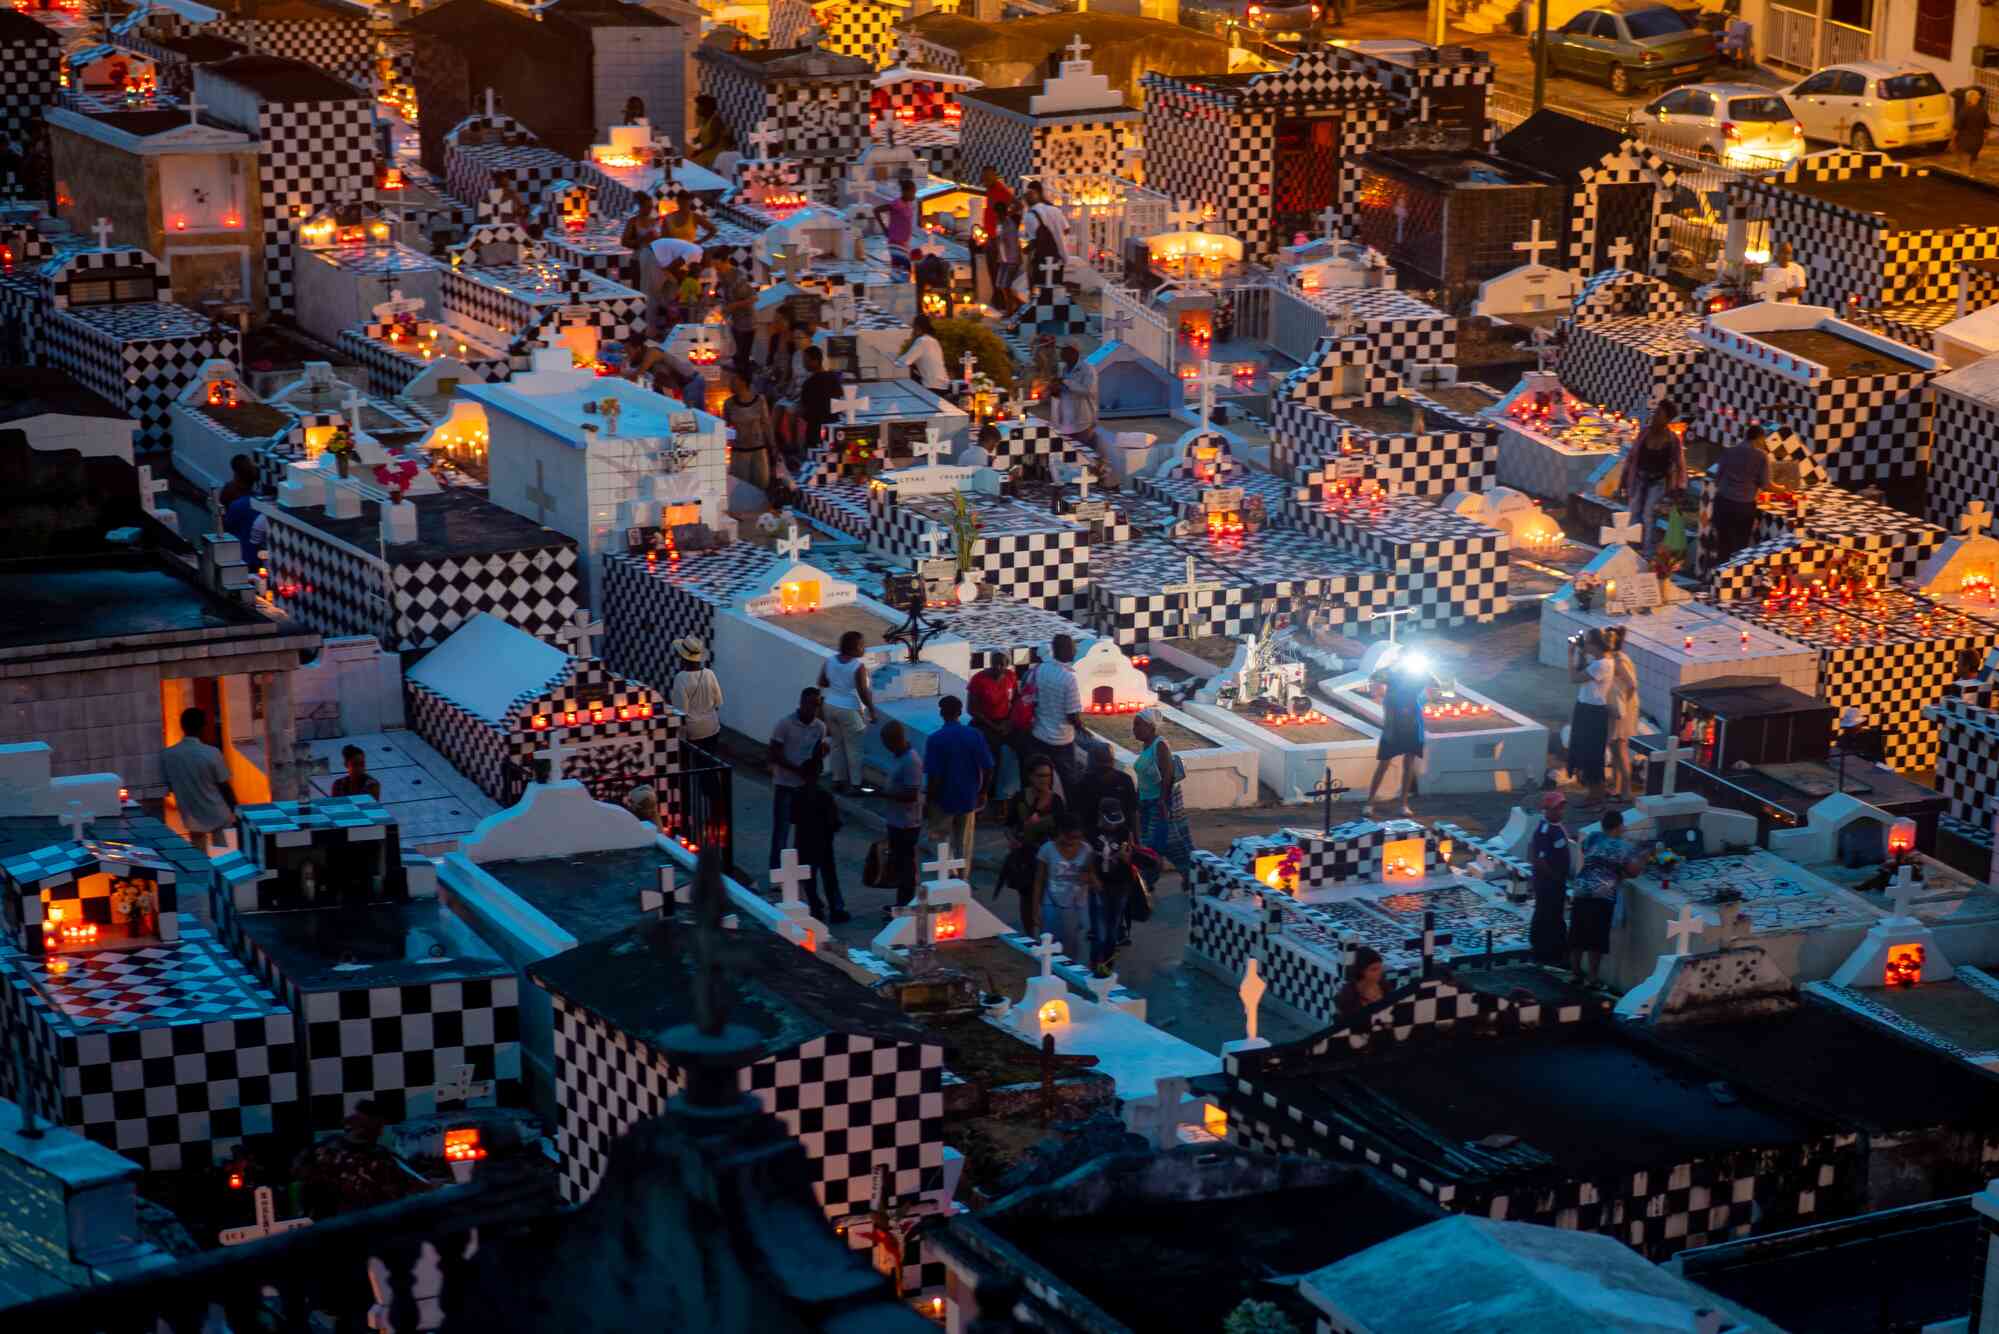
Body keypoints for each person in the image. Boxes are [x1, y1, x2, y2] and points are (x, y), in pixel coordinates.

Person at [291, 1100, 423, 1218]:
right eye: (378, 1126)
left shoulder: (382, 1156)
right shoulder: (379, 1157)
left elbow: (414, 1184)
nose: (380, 1132)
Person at [1572, 808, 1644, 983]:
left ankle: (1575, 973)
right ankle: (1592, 978)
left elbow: (1586, 851)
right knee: (1596, 938)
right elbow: (1634, 871)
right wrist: (1643, 857)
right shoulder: (1623, 847)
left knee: (1578, 935)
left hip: (1581, 889)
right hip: (1602, 894)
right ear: (1619, 827)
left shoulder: (1592, 838)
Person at [767, 687, 828, 872]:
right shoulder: (785, 725)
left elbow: (816, 754)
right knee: (781, 831)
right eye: (811, 704)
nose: (814, 708)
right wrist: (797, 769)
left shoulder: (820, 727)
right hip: (785, 784)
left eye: (817, 705)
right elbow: (774, 753)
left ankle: (796, 871)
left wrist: (818, 761)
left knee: (803, 831)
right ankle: (777, 871)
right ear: (802, 703)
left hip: (805, 786)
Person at [925, 694, 993, 859]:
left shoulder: (935, 739)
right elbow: (988, 767)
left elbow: (933, 776)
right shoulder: (975, 735)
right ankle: (962, 874)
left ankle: (948, 873)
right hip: (968, 798)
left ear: (942, 713)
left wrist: (930, 801)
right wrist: (983, 792)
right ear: (960, 712)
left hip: (943, 800)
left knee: (941, 844)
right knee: (963, 844)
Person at [1002, 756, 1065, 935]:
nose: (1045, 780)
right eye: (1041, 775)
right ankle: (1030, 936)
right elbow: (1008, 825)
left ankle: (1046, 937)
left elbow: (1062, 830)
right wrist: (1012, 840)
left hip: (1048, 859)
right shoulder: (1020, 798)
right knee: (1026, 899)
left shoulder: (1056, 801)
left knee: (1047, 900)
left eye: (1048, 775)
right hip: (1025, 858)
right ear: (1030, 776)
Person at [1131, 708, 1193, 886]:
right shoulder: (1147, 746)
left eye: (1138, 725)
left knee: (1168, 843)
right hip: (1146, 804)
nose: (1134, 729)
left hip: (1158, 804)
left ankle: (1189, 876)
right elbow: (1145, 777)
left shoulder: (1160, 745)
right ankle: (1149, 880)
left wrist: (1162, 802)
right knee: (1152, 844)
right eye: (1134, 725)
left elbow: (1168, 774)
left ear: (1150, 726)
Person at [162, 707, 238, 851]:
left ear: (182, 726)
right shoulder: (212, 753)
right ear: (202, 727)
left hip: (192, 817)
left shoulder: (168, 755)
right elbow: (224, 785)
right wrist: (236, 809)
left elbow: (169, 785)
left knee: (200, 857)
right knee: (224, 856)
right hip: (219, 815)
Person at [1365, 652, 1432, 816]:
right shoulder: (1392, 675)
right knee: (1383, 764)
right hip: (1393, 725)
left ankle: (1403, 803)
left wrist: (1424, 670)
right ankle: (1369, 802)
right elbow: (1375, 676)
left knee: (1409, 764)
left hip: (1412, 724)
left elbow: (1436, 683)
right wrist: (1395, 666)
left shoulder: (1418, 677)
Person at [1618, 399, 1686, 556]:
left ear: (1667, 419)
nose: (1654, 416)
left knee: (1649, 516)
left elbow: (1680, 466)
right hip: (1638, 480)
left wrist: (1679, 489)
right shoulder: (1644, 434)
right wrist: (1623, 480)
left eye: (1659, 414)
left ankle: (1648, 553)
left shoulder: (1672, 441)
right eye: (1655, 413)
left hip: (1658, 483)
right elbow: (1631, 457)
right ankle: (1630, 550)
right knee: (1634, 513)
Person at [817, 630, 876, 794]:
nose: (864, 648)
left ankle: (838, 780)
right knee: (854, 749)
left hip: (829, 706)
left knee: (837, 744)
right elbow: (863, 692)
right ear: (854, 647)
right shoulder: (857, 667)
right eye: (862, 645)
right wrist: (872, 710)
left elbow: (822, 682)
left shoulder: (829, 661)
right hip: (849, 709)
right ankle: (856, 784)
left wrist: (837, 682)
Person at [1034, 815, 1096, 962]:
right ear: (1060, 832)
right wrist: (1035, 909)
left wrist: (1088, 878)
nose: (1072, 841)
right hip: (1051, 904)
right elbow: (1039, 881)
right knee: (1049, 949)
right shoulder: (1047, 849)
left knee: (1072, 951)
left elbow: (1093, 877)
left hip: (1076, 906)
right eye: (1069, 837)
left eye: (1077, 837)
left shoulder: (1087, 850)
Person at [1088, 805, 1141, 976]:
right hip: (1099, 887)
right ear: (1101, 816)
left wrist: (1128, 857)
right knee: (1099, 933)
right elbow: (1086, 859)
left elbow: (1132, 854)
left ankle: (1106, 969)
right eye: (1111, 821)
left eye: (1117, 821)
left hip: (1120, 886)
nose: (1114, 825)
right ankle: (1094, 966)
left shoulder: (1124, 832)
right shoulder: (1091, 833)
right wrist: (1093, 877)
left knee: (1112, 932)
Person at [1711, 424, 1771, 569]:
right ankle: (1735, 576)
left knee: (1723, 544)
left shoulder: (1729, 451)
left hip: (1722, 503)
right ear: (1759, 438)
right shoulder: (1761, 456)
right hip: (1744, 507)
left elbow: (1717, 478)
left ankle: (1720, 576)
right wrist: (1781, 489)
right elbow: (1765, 484)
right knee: (1740, 546)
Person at [1030, 633, 1083, 796]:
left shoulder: (1041, 669)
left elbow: (1034, 700)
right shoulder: (1069, 678)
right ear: (1064, 650)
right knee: (1069, 782)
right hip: (1061, 740)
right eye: (1072, 647)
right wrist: (1082, 729)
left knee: (1041, 780)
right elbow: (1072, 715)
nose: (1075, 650)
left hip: (1039, 735)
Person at [880, 719, 925, 909]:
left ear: (894, 740)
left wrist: (886, 794)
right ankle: (900, 903)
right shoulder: (899, 757)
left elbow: (911, 794)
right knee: (899, 864)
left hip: (907, 823)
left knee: (906, 867)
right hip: (896, 820)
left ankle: (906, 906)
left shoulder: (911, 761)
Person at [793, 773, 849, 923]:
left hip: (804, 841)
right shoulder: (824, 795)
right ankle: (836, 909)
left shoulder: (797, 794)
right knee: (829, 876)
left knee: (808, 877)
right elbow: (834, 822)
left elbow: (792, 817)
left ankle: (815, 908)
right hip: (823, 841)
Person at [1569, 629, 1613, 802]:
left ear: (1596, 645)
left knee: (1591, 754)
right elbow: (1583, 672)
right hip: (1588, 709)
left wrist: (1570, 655)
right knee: (1586, 752)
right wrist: (1581, 655)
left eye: (1587, 642)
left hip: (1592, 712)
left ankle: (1596, 795)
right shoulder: (1599, 662)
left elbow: (1574, 678)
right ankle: (1593, 793)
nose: (1584, 644)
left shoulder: (1601, 665)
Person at [1529, 790, 1572, 966]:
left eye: (1561, 808)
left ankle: (1553, 952)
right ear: (1547, 810)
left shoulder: (1556, 827)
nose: (1560, 812)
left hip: (1556, 882)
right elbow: (1539, 859)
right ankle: (1546, 953)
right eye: (1556, 808)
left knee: (1553, 915)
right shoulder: (1545, 831)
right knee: (1546, 916)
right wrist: (1554, 877)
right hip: (1548, 883)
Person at [966, 657, 1018, 797]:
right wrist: (994, 726)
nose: (998, 667)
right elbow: (971, 709)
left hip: (1004, 722)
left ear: (1007, 665)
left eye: (1002, 664)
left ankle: (1017, 791)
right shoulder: (978, 679)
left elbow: (1016, 700)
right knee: (992, 754)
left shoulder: (1010, 676)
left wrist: (1009, 722)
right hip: (984, 723)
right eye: (995, 663)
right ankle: (987, 793)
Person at [1602, 626, 1640, 801]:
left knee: (1620, 748)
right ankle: (1616, 787)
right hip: (1618, 707)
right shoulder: (1615, 658)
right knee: (1615, 747)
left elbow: (1632, 684)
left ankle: (1626, 790)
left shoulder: (1618, 660)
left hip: (1621, 709)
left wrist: (1626, 702)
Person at [723, 370, 775, 496]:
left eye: (733, 380)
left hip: (758, 451)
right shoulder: (728, 404)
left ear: (743, 382)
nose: (730, 383)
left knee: (761, 486)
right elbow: (724, 427)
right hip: (739, 452)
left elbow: (767, 425)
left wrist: (773, 446)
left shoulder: (760, 400)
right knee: (740, 489)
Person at [1072, 741, 1136, 841]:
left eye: (1107, 761)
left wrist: (1135, 837)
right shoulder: (1083, 782)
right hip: (1092, 837)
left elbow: (1133, 811)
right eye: (1101, 761)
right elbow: (1077, 815)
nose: (1105, 766)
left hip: (1121, 836)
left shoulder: (1125, 780)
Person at [669, 637, 723, 748]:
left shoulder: (680, 678)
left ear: (684, 658)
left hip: (694, 731)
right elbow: (718, 702)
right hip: (713, 727)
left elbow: (681, 711)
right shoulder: (710, 674)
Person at [796, 345, 845, 457]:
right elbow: (840, 400)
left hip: (815, 431)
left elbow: (803, 410)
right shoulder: (833, 377)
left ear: (816, 361)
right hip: (833, 428)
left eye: (806, 361)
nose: (804, 364)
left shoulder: (809, 383)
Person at [715, 255, 757, 376]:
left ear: (726, 262)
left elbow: (754, 298)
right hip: (735, 321)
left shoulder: (738, 277)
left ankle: (745, 381)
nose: (716, 269)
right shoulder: (722, 276)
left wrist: (733, 306)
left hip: (747, 323)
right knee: (737, 356)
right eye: (715, 266)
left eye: (718, 265)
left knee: (743, 359)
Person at [1052, 343, 1098, 451]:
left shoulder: (1087, 369)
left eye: (1065, 350)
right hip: (1066, 422)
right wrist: (1055, 390)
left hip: (1083, 422)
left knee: (1084, 455)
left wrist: (1066, 382)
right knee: (1069, 455)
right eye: (1062, 350)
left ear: (1075, 352)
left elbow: (1088, 391)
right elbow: (1064, 392)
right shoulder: (1064, 369)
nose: (1061, 353)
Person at [978, 167, 1014, 297]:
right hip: (991, 237)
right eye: (983, 177)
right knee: (993, 272)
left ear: (994, 176)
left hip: (998, 239)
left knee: (998, 273)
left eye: (987, 177)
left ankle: (1002, 300)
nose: (984, 180)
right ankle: (997, 298)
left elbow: (1017, 205)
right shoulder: (990, 190)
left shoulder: (1001, 190)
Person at [1023, 181, 1070, 277]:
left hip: (1041, 261)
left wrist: (1024, 250)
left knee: (1039, 283)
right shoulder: (1055, 209)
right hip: (1060, 257)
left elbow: (1034, 241)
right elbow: (1066, 230)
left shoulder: (1030, 215)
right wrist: (1056, 238)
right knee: (1055, 283)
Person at [873, 177, 918, 278]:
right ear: (905, 192)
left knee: (902, 270)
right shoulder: (897, 203)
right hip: (896, 242)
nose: (914, 195)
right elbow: (876, 210)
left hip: (904, 243)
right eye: (912, 192)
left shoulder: (908, 204)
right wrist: (884, 229)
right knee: (903, 270)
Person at [1332, 947, 1386, 1029]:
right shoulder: (1347, 997)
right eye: (1374, 970)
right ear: (1360, 972)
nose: (1380, 972)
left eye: (1380, 968)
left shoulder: (1384, 985)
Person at [895, 313, 948, 393]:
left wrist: (895, 361)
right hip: (943, 384)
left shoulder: (922, 341)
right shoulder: (934, 341)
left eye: (913, 327)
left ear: (918, 327)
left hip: (932, 386)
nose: (913, 330)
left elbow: (904, 361)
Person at [992, 199, 1025, 316]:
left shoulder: (1011, 222)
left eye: (997, 213)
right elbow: (999, 239)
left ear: (1001, 212)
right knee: (1000, 285)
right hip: (1003, 259)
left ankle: (1012, 309)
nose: (996, 215)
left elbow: (1020, 206)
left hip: (1012, 259)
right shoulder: (999, 223)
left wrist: (1012, 201)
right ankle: (1018, 305)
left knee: (1005, 286)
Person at [690, 94, 734, 167]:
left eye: (699, 106)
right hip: (708, 158)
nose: (697, 109)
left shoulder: (715, 121)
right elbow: (700, 137)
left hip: (717, 159)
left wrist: (700, 151)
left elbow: (713, 142)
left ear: (706, 108)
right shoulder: (703, 120)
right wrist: (694, 140)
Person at [1960, 87, 1992, 172]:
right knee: (1973, 159)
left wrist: (1953, 140)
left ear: (1968, 99)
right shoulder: (1982, 111)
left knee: (1965, 162)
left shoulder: (1964, 111)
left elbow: (1957, 127)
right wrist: (1985, 140)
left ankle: (1965, 175)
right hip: (1978, 142)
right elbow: (1987, 128)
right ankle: (1972, 174)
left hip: (1965, 141)